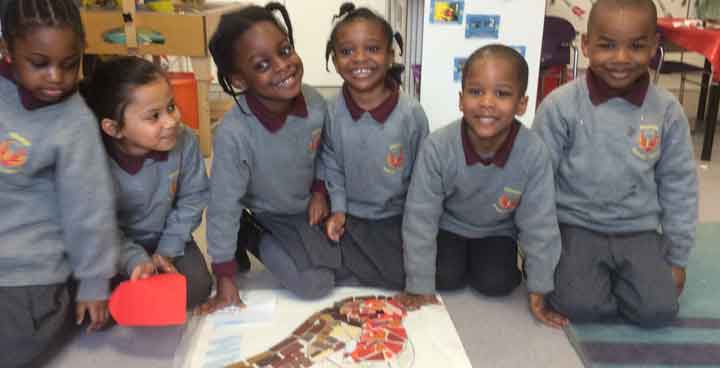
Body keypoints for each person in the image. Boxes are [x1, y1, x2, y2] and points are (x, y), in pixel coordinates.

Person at [534, 0, 698, 327]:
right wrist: (540, 254)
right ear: (586, 44)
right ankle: (591, 279)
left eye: (636, 46)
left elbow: (680, 186)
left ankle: (625, 278)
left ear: (654, 46)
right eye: (607, 45)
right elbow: (537, 181)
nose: (621, 58)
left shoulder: (667, 111)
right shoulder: (560, 105)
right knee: (578, 307)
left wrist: (677, 258)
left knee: (659, 311)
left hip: (638, 229)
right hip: (575, 225)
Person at [402, 45, 567, 328]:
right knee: (444, 277)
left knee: (497, 283)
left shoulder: (533, 152)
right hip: (450, 226)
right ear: (461, 99)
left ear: (522, 104)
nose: (487, 103)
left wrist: (540, 287)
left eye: (502, 94)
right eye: (476, 92)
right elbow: (420, 216)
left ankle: (485, 262)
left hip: (498, 230)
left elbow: (540, 223)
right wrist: (419, 283)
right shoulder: (438, 147)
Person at [197, 2, 338, 314]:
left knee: (347, 264)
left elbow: (326, 152)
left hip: (306, 209)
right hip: (268, 215)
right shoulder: (234, 133)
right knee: (314, 284)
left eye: (285, 50)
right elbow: (222, 207)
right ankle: (251, 235)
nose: (283, 65)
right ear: (238, 80)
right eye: (262, 65)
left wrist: (319, 190)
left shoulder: (315, 101)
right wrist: (225, 276)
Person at [0, 0, 119, 366]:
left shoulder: (74, 123)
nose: (56, 77)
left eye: (69, 64)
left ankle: (68, 304)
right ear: (6, 51)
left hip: (30, 270)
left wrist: (94, 283)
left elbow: (90, 210)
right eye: (40, 64)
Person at [80, 56, 213, 309]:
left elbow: (193, 198)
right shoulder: (94, 162)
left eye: (171, 106)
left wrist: (167, 249)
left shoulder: (186, 142)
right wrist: (134, 260)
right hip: (113, 244)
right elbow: (99, 226)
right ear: (113, 128)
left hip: (168, 237)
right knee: (97, 296)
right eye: (154, 116)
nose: (172, 121)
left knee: (197, 288)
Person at [321, 3, 429, 289]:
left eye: (372, 49)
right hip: (350, 216)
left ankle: (363, 265)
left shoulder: (411, 114)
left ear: (390, 55)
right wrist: (339, 209)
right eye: (346, 51)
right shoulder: (331, 111)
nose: (359, 59)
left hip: (394, 216)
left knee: (404, 276)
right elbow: (330, 163)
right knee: (321, 264)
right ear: (334, 57)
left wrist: (415, 222)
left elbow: (424, 173)